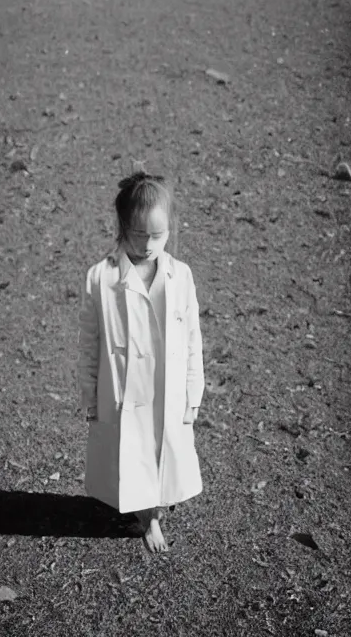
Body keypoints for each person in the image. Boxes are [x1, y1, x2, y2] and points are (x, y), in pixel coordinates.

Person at [77, 169, 205, 553]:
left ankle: (153, 510)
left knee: (162, 454)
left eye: (158, 235)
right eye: (138, 234)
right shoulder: (101, 278)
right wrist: (88, 395)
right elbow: (89, 342)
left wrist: (192, 392)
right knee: (131, 455)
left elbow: (193, 339)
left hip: (165, 386)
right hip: (124, 388)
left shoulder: (180, 276)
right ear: (121, 225)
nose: (148, 245)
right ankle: (148, 518)